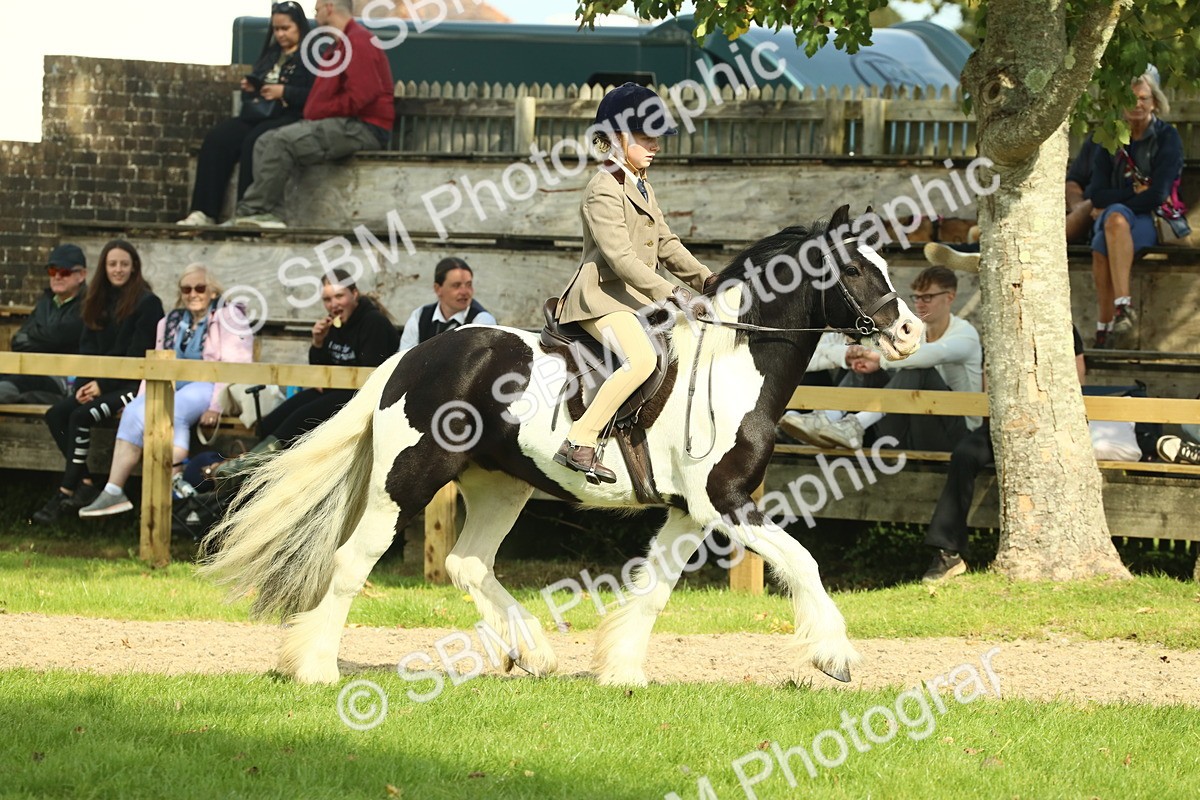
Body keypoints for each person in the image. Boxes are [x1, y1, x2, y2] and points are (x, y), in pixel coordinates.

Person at [552, 82, 716, 483]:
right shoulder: (602, 188)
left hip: (634, 298)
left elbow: (665, 242)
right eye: (646, 136)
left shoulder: (642, 183)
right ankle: (580, 441)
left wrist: (709, 278)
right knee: (641, 359)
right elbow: (621, 259)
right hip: (600, 298)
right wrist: (675, 293)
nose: (656, 145)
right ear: (617, 137)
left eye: (657, 136)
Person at [922, 326, 1143, 582]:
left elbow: (1077, 383)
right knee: (964, 454)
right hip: (1003, 422)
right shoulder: (999, 325)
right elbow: (988, 384)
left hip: (1053, 422)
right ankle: (947, 553)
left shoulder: (1065, 328)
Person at [77, 266, 254, 516]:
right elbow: (156, 366)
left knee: (174, 408)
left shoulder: (229, 318)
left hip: (211, 386)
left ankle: (170, 492)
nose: (193, 294)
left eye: (200, 288)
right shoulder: (169, 322)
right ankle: (114, 491)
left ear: (213, 292)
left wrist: (215, 405)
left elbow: (236, 366)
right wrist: (140, 400)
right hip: (172, 387)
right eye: (186, 289)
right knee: (133, 412)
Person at [226, 0, 395, 228]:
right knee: (264, 141)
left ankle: (253, 209)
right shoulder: (338, 45)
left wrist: (321, 110)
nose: (314, 13)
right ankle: (270, 215)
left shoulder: (357, 41)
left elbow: (362, 96)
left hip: (363, 127)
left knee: (282, 141)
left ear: (329, 7)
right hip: (343, 123)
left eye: (317, 8)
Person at [780, 266, 982, 452]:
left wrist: (879, 359)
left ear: (950, 297)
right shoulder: (914, 332)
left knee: (918, 369)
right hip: (909, 427)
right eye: (916, 297)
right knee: (866, 368)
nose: (919, 303)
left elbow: (934, 354)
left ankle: (855, 425)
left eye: (927, 297)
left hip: (956, 436)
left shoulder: (966, 334)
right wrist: (860, 359)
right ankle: (827, 418)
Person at [34, 241, 165, 524]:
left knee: (81, 416)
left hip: (133, 386)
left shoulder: (148, 303)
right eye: (112, 264)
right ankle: (87, 484)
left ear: (134, 268)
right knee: (57, 413)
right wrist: (84, 384)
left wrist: (102, 386)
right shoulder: (95, 301)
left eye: (124, 264)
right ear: (104, 268)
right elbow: (86, 349)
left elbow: (137, 356)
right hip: (98, 383)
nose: (118, 269)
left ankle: (65, 490)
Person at [219, 269, 398, 474]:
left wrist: (331, 379)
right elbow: (320, 371)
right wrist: (318, 343)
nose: (333, 305)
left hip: (362, 396)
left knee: (299, 419)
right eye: (327, 299)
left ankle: (251, 470)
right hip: (333, 390)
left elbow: (371, 375)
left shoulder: (373, 323)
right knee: (272, 422)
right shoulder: (333, 325)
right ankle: (257, 467)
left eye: (339, 296)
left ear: (354, 294)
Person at [177, 2, 314, 226]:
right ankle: (203, 211)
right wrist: (252, 88)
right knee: (217, 138)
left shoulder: (311, 58)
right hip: (258, 113)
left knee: (256, 142)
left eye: (285, 28)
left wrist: (284, 91)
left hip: (289, 115)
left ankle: (246, 210)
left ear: (299, 27)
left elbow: (314, 94)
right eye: (276, 29)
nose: (280, 34)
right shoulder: (270, 55)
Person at [1088, 72, 1184, 350]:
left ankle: (1104, 328)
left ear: (1154, 102)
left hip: (1148, 219)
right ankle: (1121, 310)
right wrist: (1130, 195)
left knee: (1103, 240)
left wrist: (1113, 204)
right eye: (1130, 98)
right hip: (1114, 217)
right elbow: (1095, 194)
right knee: (1114, 219)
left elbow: (1158, 194)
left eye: (1143, 98)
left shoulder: (1167, 137)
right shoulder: (1109, 136)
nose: (1137, 104)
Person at [0, 244, 87, 404]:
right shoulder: (46, 301)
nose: (57, 277)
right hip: (31, 369)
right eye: (52, 271)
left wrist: (40, 334)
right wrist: (49, 337)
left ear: (81, 275)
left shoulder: (88, 304)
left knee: (14, 385)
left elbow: (59, 336)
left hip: (63, 381)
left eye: (64, 272)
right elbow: (18, 341)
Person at [398, 257, 497, 350]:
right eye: (456, 285)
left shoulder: (482, 321)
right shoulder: (419, 316)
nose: (464, 292)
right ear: (437, 289)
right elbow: (403, 358)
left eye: (469, 285)